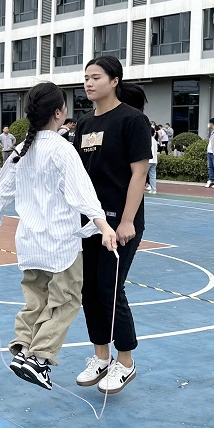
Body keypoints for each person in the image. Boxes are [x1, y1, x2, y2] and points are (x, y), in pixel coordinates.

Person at [0, 82, 118, 390]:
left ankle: (23, 349)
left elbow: (2, 187)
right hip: (60, 240)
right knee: (66, 299)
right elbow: (81, 192)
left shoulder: (21, 150)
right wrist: (104, 225)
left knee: (36, 300)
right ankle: (40, 358)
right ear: (59, 113)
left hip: (30, 241)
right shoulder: (61, 149)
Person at [72, 55, 151, 395]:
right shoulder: (84, 124)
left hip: (121, 221)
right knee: (88, 290)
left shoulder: (132, 120)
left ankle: (126, 361)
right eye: (86, 78)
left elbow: (139, 173)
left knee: (110, 288)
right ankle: (101, 356)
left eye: (96, 77)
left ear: (114, 80)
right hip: (90, 222)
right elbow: (78, 175)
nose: (89, 83)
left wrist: (128, 220)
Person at [146, 126, 158, 195]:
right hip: (154, 160)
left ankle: (140, 189)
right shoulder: (155, 141)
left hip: (148, 160)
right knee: (153, 175)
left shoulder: (148, 140)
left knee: (142, 175)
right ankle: (154, 189)